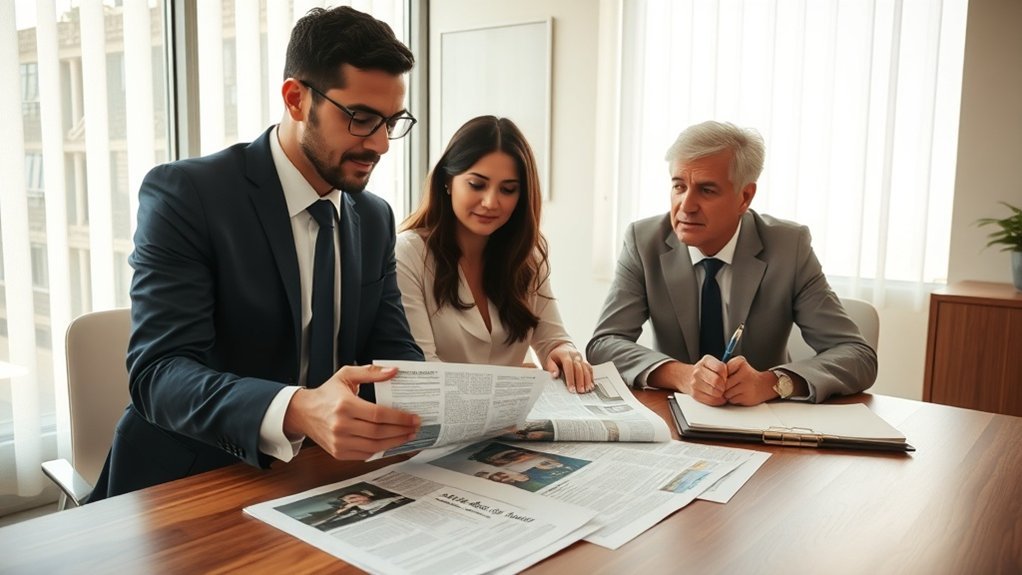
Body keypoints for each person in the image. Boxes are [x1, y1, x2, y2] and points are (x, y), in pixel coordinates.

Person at [89, 6, 425, 502]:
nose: (380, 144)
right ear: (295, 99)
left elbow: (394, 358)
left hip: (320, 477)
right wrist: (296, 409)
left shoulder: (372, 217)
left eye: (391, 122)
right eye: (360, 118)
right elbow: (159, 375)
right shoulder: (188, 195)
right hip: (190, 480)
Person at [587, 121, 877, 406]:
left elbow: (857, 356)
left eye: (707, 190)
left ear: (744, 197)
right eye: (679, 186)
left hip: (762, 421)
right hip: (674, 417)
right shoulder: (644, 241)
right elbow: (604, 344)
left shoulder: (788, 248)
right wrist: (681, 375)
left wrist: (773, 383)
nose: (686, 206)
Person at [396, 116, 594, 393]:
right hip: (442, 425)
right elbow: (424, 368)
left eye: (508, 189)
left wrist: (564, 351)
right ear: (448, 181)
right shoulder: (409, 253)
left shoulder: (527, 258)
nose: (491, 202)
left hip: (508, 428)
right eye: (477, 185)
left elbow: (553, 339)